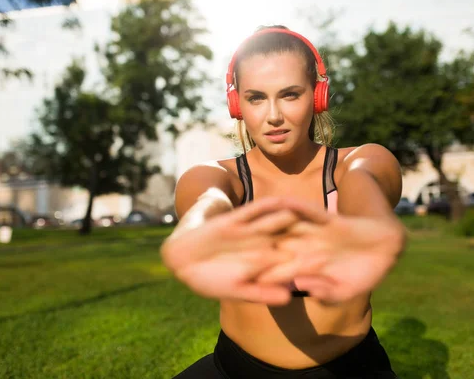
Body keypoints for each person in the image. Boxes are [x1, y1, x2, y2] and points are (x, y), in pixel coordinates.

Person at [161, 25, 406, 378]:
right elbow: (207, 198)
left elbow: (365, 184)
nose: (273, 115)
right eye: (256, 97)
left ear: (317, 96)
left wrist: (365, 226)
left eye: (290, 94)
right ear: (237, 105)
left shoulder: (358, 163)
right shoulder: (217, 175)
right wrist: (200, 232)